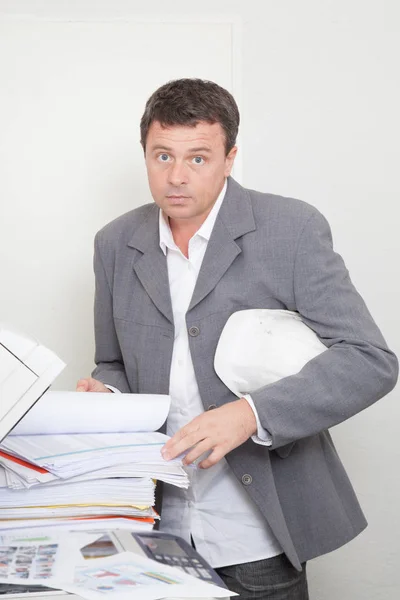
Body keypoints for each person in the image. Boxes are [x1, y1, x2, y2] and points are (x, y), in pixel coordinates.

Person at [77, 78, 398, 599]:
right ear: (145, 155)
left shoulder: (291, 228)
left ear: (230, 158)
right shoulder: (114, 243)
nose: (176, 176)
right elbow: (113, 361)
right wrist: (106, 396)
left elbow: (369, 360)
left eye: (198, 158)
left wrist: (251, 414)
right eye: (162, 156)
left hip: (257, 532)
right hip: (154, 527)